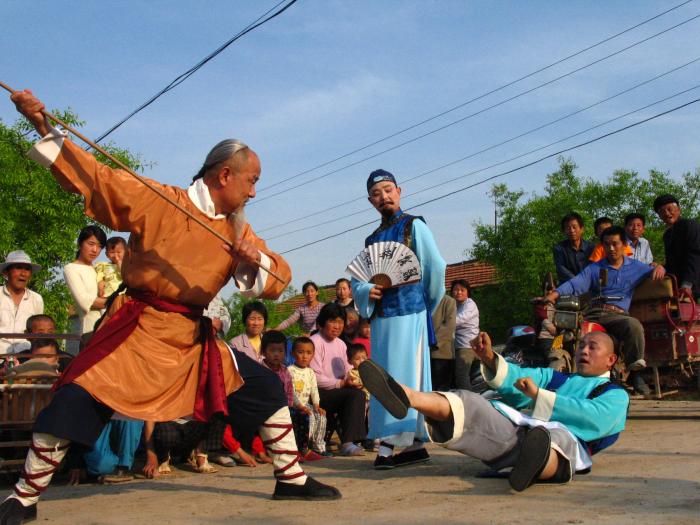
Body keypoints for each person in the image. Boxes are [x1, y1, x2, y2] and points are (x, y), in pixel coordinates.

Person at [1, 89, 340, 524]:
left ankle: (290, 479)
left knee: (264, 387)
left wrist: (254, 259)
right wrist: (43, 125)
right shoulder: (159, 199)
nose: (255, 191)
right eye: (251, 180)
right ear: (224, 176)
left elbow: (277, 280)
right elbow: (97, 178)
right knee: (73, 397)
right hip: (139, 331)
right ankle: (23, 498)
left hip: (190, 340)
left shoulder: (239, 231)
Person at [358, 330, 629, 491]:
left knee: (554, 442)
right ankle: (406, 395)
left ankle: (532, 466)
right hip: (517, 430)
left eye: (592, 347)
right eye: (581, 344)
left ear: (611, 359)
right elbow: (519, 377)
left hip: (567, 440)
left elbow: (596, 417)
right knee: (469, 401)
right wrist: (489, 358)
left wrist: (541, 397)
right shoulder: (559, 378)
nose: (584, 349)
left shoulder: (615, 394)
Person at [351, 168, 446, 470]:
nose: (384, 197)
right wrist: (368, 291)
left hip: (410, 315)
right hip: (382, 320)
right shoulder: (372, 239)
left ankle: (391, 445)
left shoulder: (414, 226)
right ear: (370, 201)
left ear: (399, 191)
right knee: (384, 377)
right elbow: (358, 279)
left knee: (406, 376)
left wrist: (423, 307)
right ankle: (413, 444)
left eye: (389, 190)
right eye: (377, 194)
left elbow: (435, 270)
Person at [545, 226, 666, 397]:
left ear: (624, 245)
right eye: (607, 244)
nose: (611, 248)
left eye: (615, 244)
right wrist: (553, 294)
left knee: (634, 325)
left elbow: (655, 270)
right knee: (571, 333)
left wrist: (659, 267)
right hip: (593, 313)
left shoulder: (636, 267)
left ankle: (636, 373)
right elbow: (576, 283)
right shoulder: (594, 268)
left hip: (618, 316)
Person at [310, 303, 367, 457]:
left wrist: (354, 380)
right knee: (355, 395)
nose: (337, 326)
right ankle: (348, 443)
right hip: (319, 393)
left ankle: (362, 439)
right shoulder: (315, 342)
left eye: (340, 322)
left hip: (339, 390)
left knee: (361, 392)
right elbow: (314, 377)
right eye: (333, 321)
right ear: (322, 322)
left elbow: (348, 370)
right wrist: (341, 383)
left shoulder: (341, 344)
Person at [63, 225, 108, 355]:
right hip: (90, 331)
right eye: (91, 244)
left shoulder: (100, 270)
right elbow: (84, 301)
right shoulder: (71, 268)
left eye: (99, 246)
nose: (95, 250)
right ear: (80, 243)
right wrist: (116, 300)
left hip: (109, 328)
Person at [288, 337, 328, 457]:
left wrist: (316, 405)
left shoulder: (310, 372)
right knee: (309, 417)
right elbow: (291, 392)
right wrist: (300, 406)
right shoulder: (289, 370)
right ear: (293, 353)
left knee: (321, 416)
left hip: (307, 405)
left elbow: (314, 390)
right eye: (300, 352)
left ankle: (319, 446)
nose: (305, 356)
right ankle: (305, 445)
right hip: (294, 405)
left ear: (313, 355)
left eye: (309, 353)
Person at [654, 194, 700, 298]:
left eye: (670, 209)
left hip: (692, 284)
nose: (667, 213)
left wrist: (687, 283)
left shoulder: (690, 225)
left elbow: (695, 255)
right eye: (662, 212)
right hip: (676, 287)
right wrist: (662, 267)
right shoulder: (667, 235)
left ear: (679, 210)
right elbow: (672, 263)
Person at [0, 250, 44, 355]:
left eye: (27, 269)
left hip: (25, 357)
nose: (23, 273)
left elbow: (38, 331)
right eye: (18, 267)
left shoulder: (36, 299)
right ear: (6, 272)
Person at [451, 280, 479, 391]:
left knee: (461, 377)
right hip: (458, 345)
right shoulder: (455, 305)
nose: (459, 292)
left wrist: (443, 323)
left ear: (468, 292)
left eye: (462, 290)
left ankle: (469, 402)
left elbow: (459, 320)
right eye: (456, 290)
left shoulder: (469, 304)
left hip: (467, 346)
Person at [553, 212, 594, 284]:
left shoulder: (591, 247)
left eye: (574, 227)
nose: (572, 231)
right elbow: (561, 269)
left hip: (589, 285)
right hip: (569, 287)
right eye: (568, 228)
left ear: (582, 229)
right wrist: (578, 282)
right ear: (564, 231)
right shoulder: (559, 248)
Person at [430, 294, 456, 391]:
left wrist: (434, 343)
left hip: (441, 353)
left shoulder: (449, 301)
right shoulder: (423, 299)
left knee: (441, 390)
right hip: (424, 354)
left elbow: (449, 326)